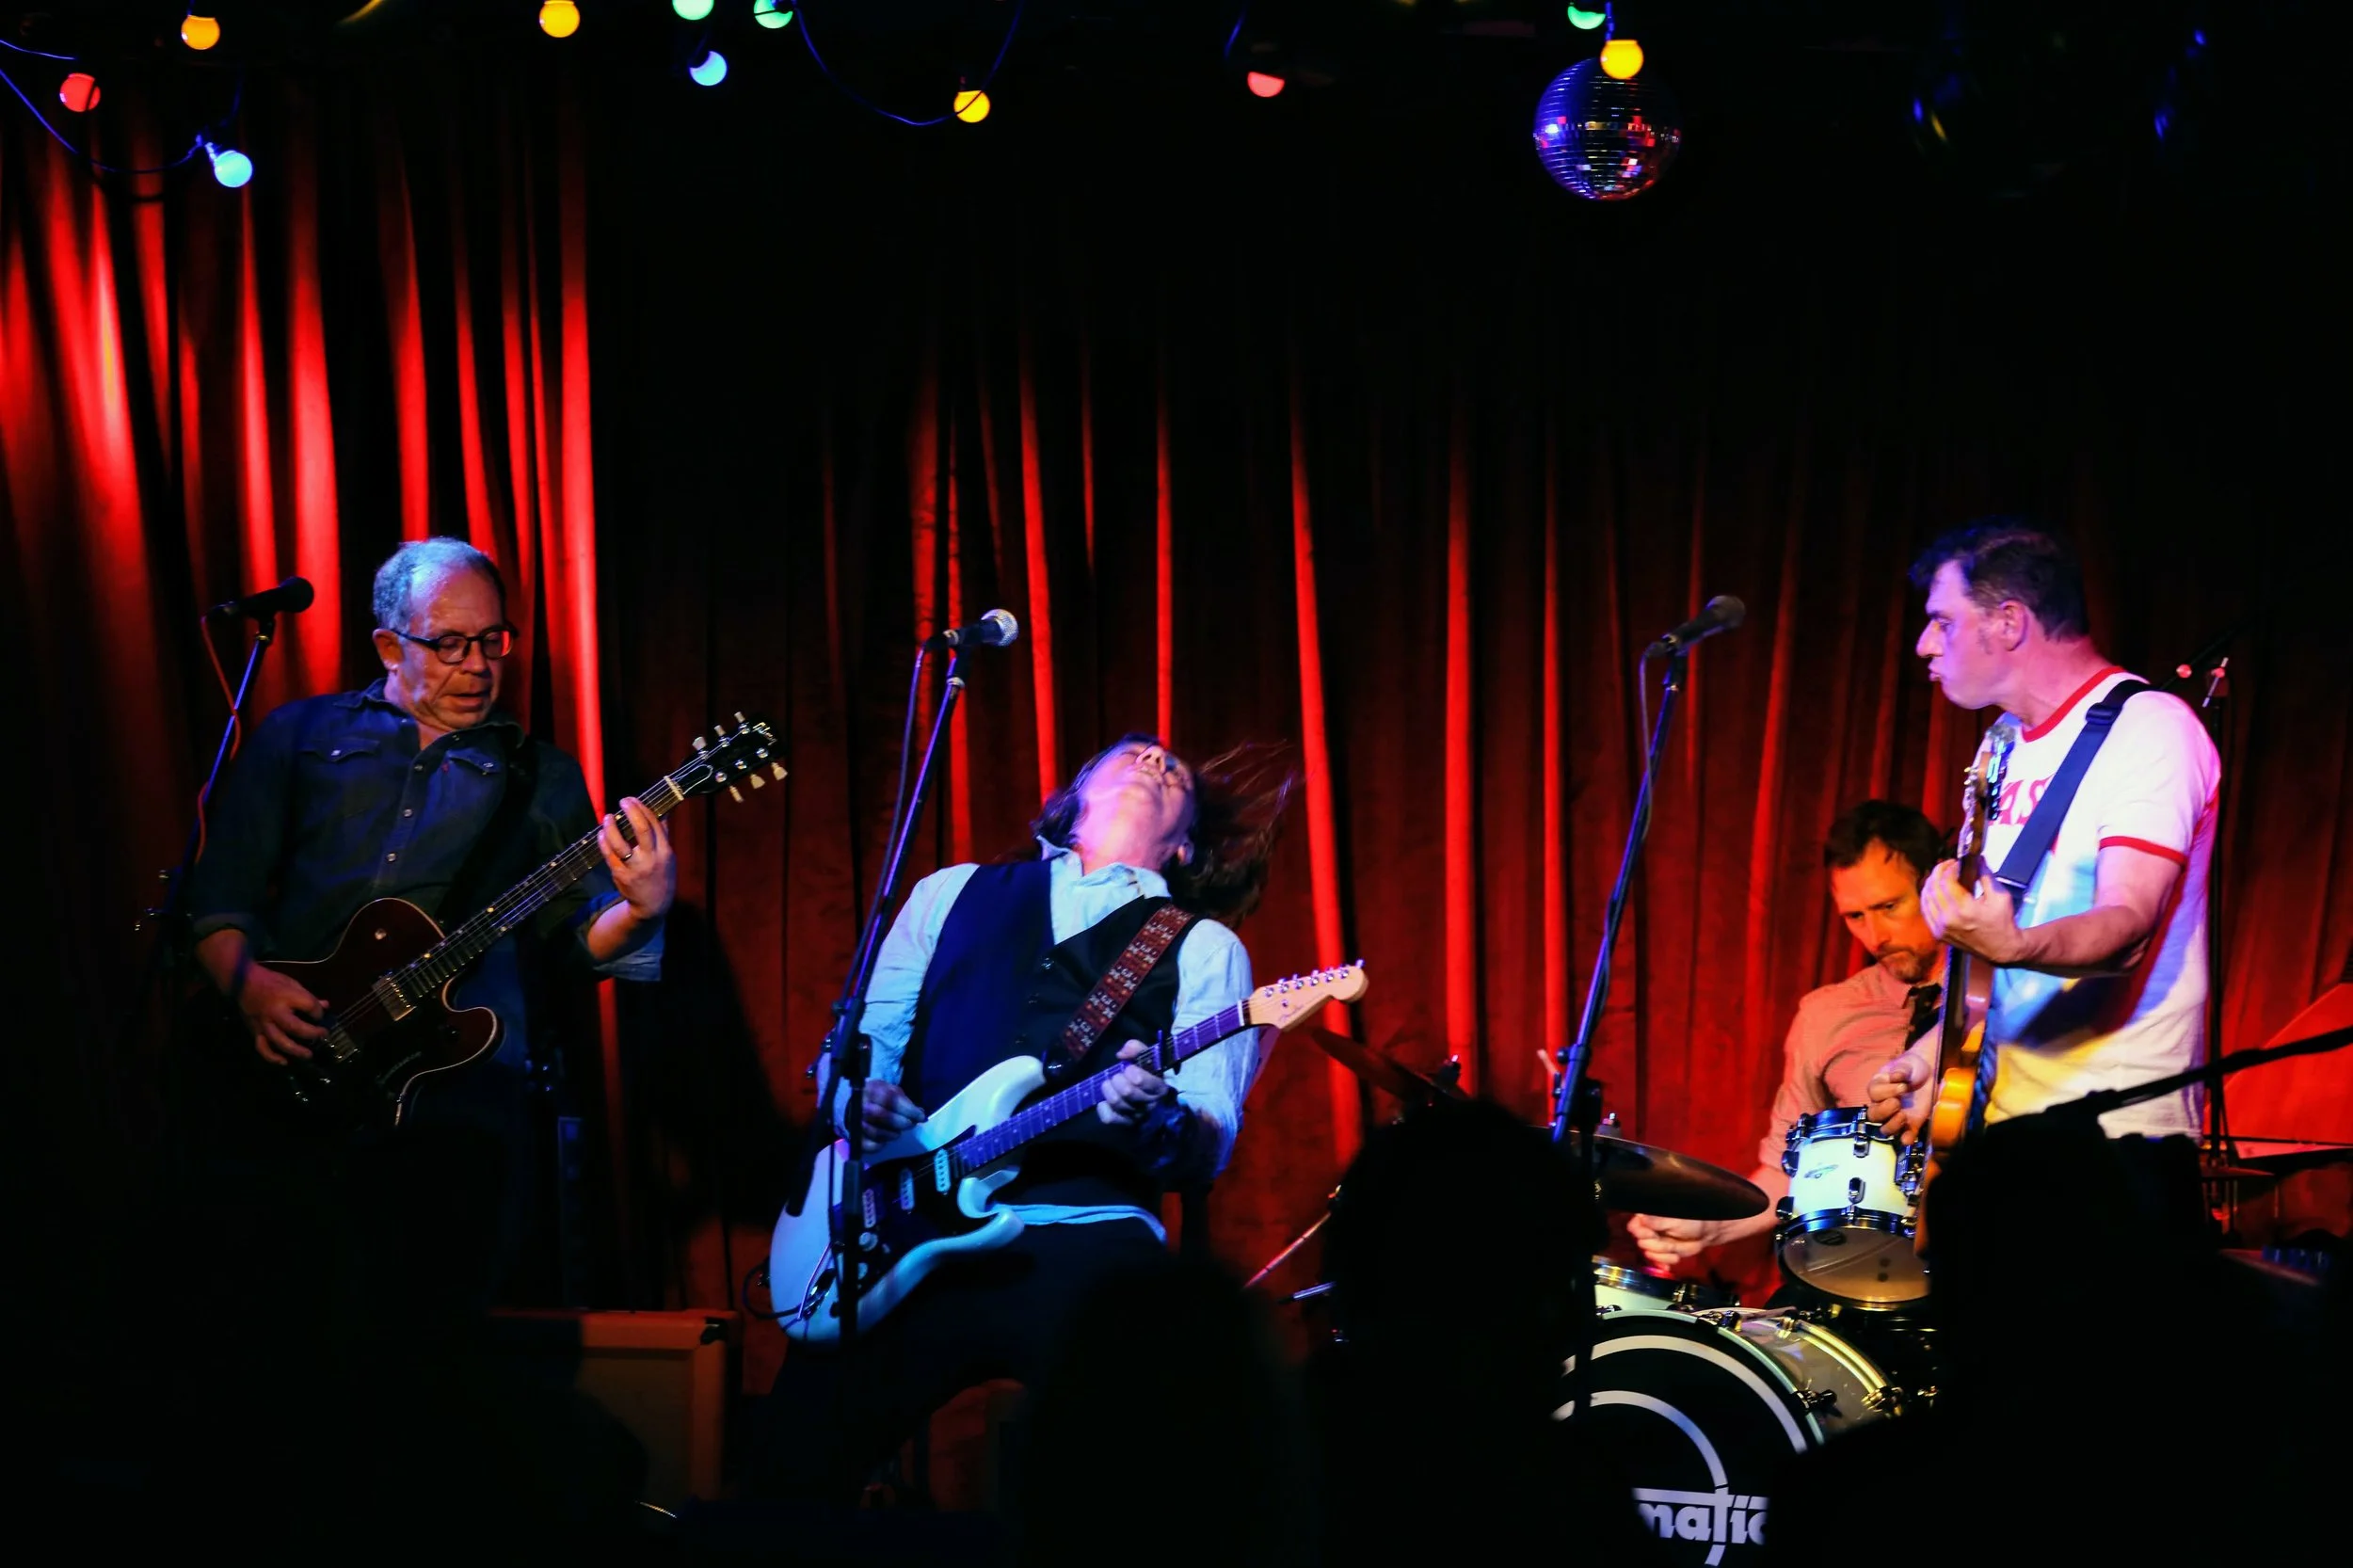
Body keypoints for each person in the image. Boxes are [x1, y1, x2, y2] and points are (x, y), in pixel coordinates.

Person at [750, 733, 1294, 1501]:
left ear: (1184, 848)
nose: (1156, 761)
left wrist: (1154, 1116)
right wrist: (857, 1100)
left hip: (1089, 1234)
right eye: (1133, 752)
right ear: (1073, 800)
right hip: (902, 1223)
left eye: (1173, 766)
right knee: (786, 1473)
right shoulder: (950, 892)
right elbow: (860, 1048)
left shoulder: (1205, 950)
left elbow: (1207, 1142)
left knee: (1137, 1485)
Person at [183, 536, 672, 1259]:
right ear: (389, 645)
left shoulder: (543, 778)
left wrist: (642, 911)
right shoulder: (300, 737)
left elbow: (579, 941)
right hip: (283, 1077)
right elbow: (220, 894)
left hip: (452, 1103)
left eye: (491, 640)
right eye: (448, 644)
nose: (477, 665)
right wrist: (250, 987)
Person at [1867, 518, 2220, 1145]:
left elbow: (2128, 925)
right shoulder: (2001, 745)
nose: (1924, 644)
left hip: (2117, 1134)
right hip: (2008, 1122)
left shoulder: (2150, 729)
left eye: (1943, 622)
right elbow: (1996, 961)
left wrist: (2013, 945)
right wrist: (1931, 1056)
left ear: (2008, 622)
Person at [1626, 801, 1948, 1272]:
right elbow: (1789, 1171)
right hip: (1859, 1273)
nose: (1875, 935)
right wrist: (1714, 1226)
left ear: (1936, 882)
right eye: (1854, 917)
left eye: (1889, 907)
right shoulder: (1826, 1013)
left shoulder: (2003, 993)